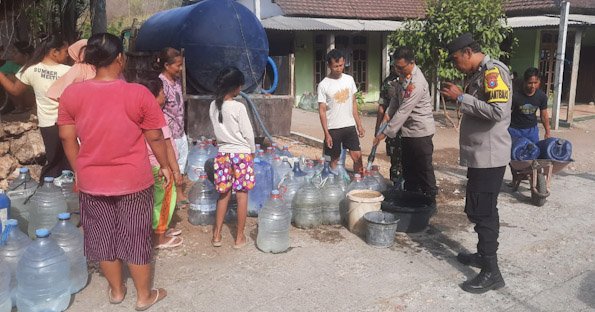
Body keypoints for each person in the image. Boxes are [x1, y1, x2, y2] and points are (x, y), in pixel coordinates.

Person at [57, 33, 169, 310]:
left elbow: (66, 138)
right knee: (135, 236)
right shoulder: (138, 93)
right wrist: (165, 165)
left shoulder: (72, 94)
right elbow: (155, 137)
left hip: (92, 180)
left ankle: (117, 290)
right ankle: (144, 296)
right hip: (133, 179)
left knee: (102, 236)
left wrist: (79, 171)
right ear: (120, 58)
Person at [440, 33, 512, 294]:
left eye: (457, 59)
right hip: (481, 156)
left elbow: (497, 111)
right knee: (478, 208)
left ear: (468, 52)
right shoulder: (480, 73)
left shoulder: (493, 72)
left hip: (490, 157)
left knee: (483, 211)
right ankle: (483, 255)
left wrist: (461, 98)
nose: (457, 64)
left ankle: (492, 272)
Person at [0, 35, 71, 178]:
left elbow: (15, 90)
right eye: (65, 51)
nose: (67, 55)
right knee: (69, 161)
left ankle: (50, 189)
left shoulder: (31, 69)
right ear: (54, 52)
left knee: (53, 161)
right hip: (68, 123)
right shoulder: (69, 71)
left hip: (47, 124)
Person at [374, 47, 437, 199]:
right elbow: (395, 101)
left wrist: (384, 133)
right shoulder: (403, 77)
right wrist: (386, 117)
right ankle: (411, 200)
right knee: (408, 170)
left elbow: (403, 111)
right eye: (396, 67)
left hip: (421, 132)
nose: (398, 70)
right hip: (408, 132)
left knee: (423, 170)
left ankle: (429, 201)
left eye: (401, 67)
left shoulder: (417, 82)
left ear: (412, 63)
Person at [209, 66, 255, 249]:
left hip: (223, 154)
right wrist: (251, 151)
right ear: (235, 87)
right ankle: (239, 238)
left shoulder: (213, 105)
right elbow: (248, 134)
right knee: (242, 196)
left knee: (223, 195)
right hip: (241, 154)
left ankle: (217, 235)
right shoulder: (238, 107)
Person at [137, 76, 184, 250]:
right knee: (164, 200)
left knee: (154, 199)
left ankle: (159, 230)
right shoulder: (156, 116)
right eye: (163, 92)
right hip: (159, 165)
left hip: (149, 165)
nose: (165, 95)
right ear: (154, 96)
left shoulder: (140, 114)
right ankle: (159, 237)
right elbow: (167, 147)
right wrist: (175, 170)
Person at [318, 49, 365, 173]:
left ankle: (358, 184)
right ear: (329, 66)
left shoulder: (349, 80)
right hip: (333, 128)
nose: (339, 69)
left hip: (349, 126)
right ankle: (333, 184)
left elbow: (353, 103)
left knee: (357, 157)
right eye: (336, 66)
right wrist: (326, 133)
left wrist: (359, 125)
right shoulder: (323, 85)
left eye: (341, 65)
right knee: (334, 159)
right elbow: (322, 111)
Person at [157, 48, 188, 204]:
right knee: (172, 163)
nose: (180, 69)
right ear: (167, 65)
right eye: (178, 65)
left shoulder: (176, 82)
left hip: (180, 130)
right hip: (168, 132)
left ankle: (179, 193)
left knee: (181, 163)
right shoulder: (161, 83)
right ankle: (174, 194)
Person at [377, 62, 404, 184]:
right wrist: (378, 129)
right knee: (395, 161)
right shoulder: (388, 82)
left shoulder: (411, 80)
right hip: (392, 128)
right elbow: (382, 107)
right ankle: (396, 188)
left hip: (408, 128)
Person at [509, 67, 551, 143]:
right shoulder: (515, 96)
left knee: (534, 152)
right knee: (514, 153)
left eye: (535, 83)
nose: (533, 86)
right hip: (515, 130)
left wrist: (547, 132)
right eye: (530, 83)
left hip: (532, 131)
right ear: (525, 82)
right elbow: (507, 114)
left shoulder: (542, 96)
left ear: (539, 82)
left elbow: (544, 115)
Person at [0, 41, 35, 114]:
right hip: (14, 96)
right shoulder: (10, 64)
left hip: (31, 97)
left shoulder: (32, 67)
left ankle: (20, 107)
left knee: (9, 78)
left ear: (26, 56)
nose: (12, 55)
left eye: (15, 53)